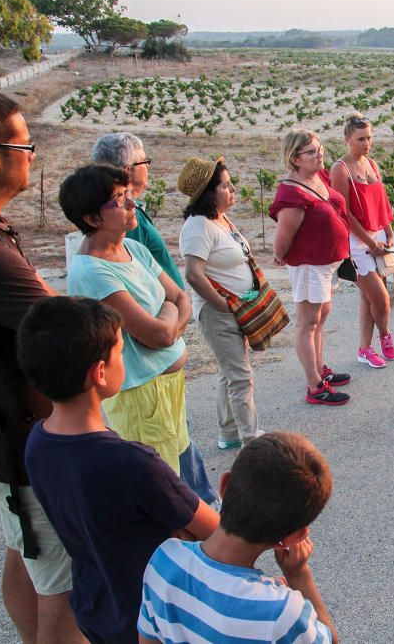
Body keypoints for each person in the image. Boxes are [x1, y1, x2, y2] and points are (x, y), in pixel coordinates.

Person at [0, 87, 83, 644]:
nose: (32, 153)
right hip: (18, 439)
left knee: (25, 551)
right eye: (24, 142)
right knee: (63, 581)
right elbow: (74, 326)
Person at [19, 296, 219, 644]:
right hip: (152, 616)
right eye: (119, 350)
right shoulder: (133, 463)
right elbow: (212, 529)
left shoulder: (38, 442)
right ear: (99, 372)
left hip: (95, 605)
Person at [59, 165, 217, 505]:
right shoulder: (92, 271)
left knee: (176, 470)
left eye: (128, 195)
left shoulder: (135, 250)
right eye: (119, 199)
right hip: (141, 395)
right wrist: (170, 323)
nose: (132, 204)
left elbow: (180, 297)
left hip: (166, 387)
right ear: (92, 218)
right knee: (161, 487)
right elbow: (156, 335)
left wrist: (167, 321)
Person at [138, 431, 337, 644]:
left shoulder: (165, 560)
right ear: (293, 538)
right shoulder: (282, 612)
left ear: (224, 486)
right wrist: (298, 575)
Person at [178, 157, 263, 450]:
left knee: (229, 373)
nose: (233, 188)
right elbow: (193, 274)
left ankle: (229, 433)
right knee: (240, 376)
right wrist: (222, 305)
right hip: (219, 314)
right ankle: (251, 442)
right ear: (208, 192)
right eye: (226, 185)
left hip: (236, 310)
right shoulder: (198, 226)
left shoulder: (219, 218)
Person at [271, 129, 351, 405]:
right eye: (312, 152)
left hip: (326, 263)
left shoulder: (317, 176)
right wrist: (280, 255)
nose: (319, 155)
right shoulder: (292, 194)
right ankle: (315, 386)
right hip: (309, 265)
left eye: (320, 149)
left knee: (321, 316)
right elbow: (283, 239)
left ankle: (320, 368)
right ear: (294, 159)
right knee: (308, 323)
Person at [330, 112, 394, 369]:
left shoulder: (372, 164)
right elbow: (343, 213)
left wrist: (388, 231)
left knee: (369, 298)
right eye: (360, 139)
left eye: (369, 138)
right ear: (347, 139)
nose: (366, 143)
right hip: (358, 245)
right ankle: (384, 336)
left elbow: (380, 202)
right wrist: (371, 244)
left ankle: (365, 349)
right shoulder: (340, 168)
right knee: (381, 299)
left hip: (378, 237)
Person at [91, 132, 185, 289]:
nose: (147, 166)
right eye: (144, 162)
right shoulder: (126, 216)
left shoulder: (110, 212)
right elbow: (134, 274)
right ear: (128, 170)